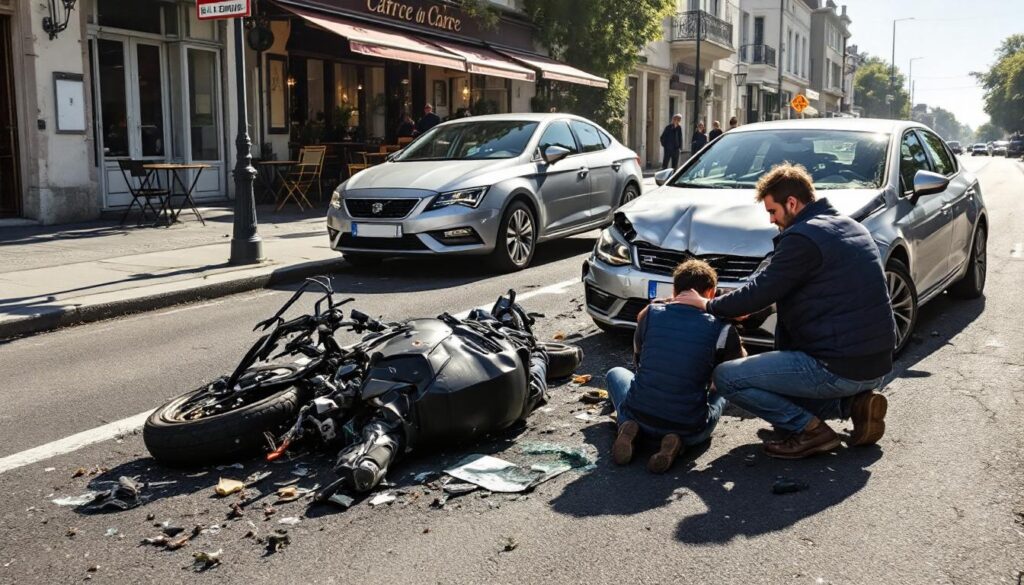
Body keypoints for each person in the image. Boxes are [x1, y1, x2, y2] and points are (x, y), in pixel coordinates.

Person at [674, 163, 896, 460]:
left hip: (836, 367)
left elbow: (762, 289)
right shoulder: (851, 226)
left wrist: (708, 304)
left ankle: (810, 431)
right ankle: (854, 407)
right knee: (772, 383)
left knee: (728, 377)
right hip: (876, 363)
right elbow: (793, 289)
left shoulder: (802, 237)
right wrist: (748, 311)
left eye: (773, 212)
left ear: (792, 203)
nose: (772, 220)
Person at [606, 260, 745, 474]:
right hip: (688, 427)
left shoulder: (651, 314)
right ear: (711, 292)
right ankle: (677, 442)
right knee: (724, 391)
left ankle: (627, 426)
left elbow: (639, 362)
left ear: (674, 289)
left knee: (615, 374)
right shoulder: (723, 328)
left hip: (640, 413)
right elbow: (735, 372)